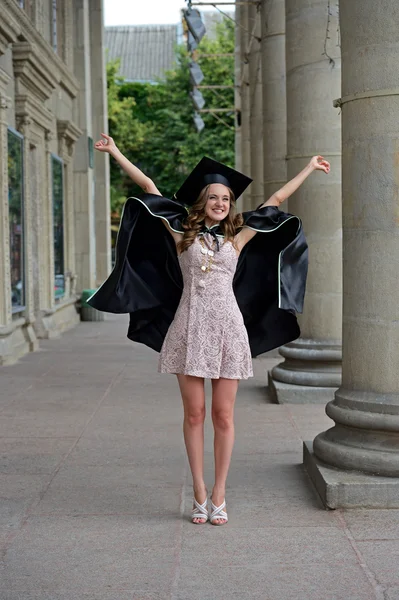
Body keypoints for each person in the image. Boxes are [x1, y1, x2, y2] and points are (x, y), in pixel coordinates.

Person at [90, 133, 330, 525]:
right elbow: (150, 188)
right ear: (202, 201)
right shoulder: (181, 234)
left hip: (228, 328)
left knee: (223, 415)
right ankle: (198, 492)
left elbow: (275, 202)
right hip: (189, 325)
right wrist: (115, 151)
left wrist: (308, 168)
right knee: (194, 414)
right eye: (215, 197)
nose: (221, 204)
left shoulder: (238, 237)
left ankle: (220, 493)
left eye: (227, 199)